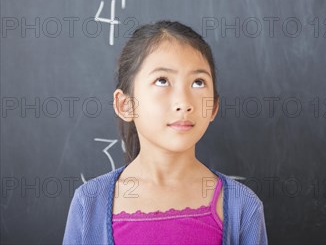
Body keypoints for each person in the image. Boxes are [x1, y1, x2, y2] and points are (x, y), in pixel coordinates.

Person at [63, 20, 268, 244]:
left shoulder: (243, 205)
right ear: (126, 105)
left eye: (198, 83)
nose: (183, 103)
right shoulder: (90, 202)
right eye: (162, 81)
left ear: (214, 107)